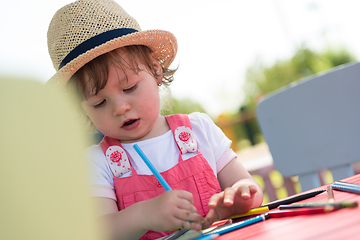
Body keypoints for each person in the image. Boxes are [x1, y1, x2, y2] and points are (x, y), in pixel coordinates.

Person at [47, 0, 263, 239]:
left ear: (155, 70)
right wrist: (143, 215)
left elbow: (249, 189)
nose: (120, 107)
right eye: (99, 103)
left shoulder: (199, 130)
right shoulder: (98, 162)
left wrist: (239, 197)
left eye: (129, 88)